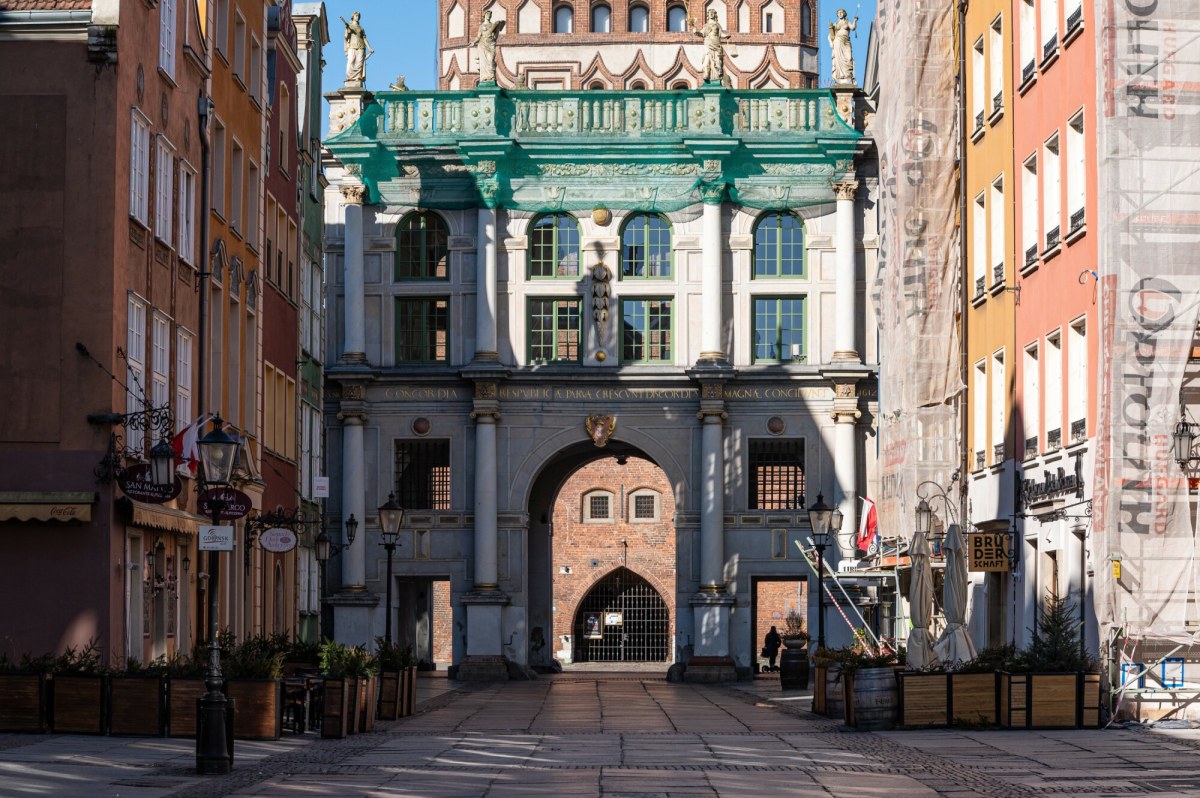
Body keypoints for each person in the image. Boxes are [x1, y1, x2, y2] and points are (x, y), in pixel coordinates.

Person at [694, 9, 732, 84]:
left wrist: (727, 35)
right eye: (710, 13)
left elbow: (721, 34)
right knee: (707, 61)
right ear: (708, 15)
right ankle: (707, 75)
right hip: (708, 44)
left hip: (716, 44)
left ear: (715, 15)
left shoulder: (717, 25)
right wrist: (695, 31)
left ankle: (717, 78)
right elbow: (701, 34)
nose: (711, 14)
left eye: (712, 13)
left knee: (718, 62)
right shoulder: (706, 25)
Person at [470, 10, 506, 84]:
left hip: (490, 44)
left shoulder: (493, 25)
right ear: (485, 15)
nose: (489, 16)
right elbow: (479, 36)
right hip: (482, 44)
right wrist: (473, 42)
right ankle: (485, 78)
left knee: (490, 60)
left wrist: (497, 29)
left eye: (490, 14)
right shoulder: (481, 26)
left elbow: (495, 36)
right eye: (488, 14)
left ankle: (491, 76)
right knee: (483, 62)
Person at [342, 12, 373, 87]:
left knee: (359, 63)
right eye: (356, 16)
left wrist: (369, 48)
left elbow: (364, 38)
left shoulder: (361, 28)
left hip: (361, 47)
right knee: (351, 61)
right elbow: (346, 37)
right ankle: (349, 78)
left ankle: (357, 78)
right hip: (352, 46)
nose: (357, 17)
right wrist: (347, 29)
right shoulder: (349, 26)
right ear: (352, 16)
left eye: (358, 16)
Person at [828, 9, 858, 85]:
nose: (840, 14)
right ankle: (841, 77)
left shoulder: (847, 22)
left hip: (846, 42)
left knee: (849, 58)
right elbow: (831, 36)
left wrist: (855, 20)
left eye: (841, 13)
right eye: (838, 13)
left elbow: (853, 28)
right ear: (837, 14)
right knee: (838, 59)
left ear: (844, 14)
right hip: (838, 41)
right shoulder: (835, 24)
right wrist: (831, 29)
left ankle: (848, 75)